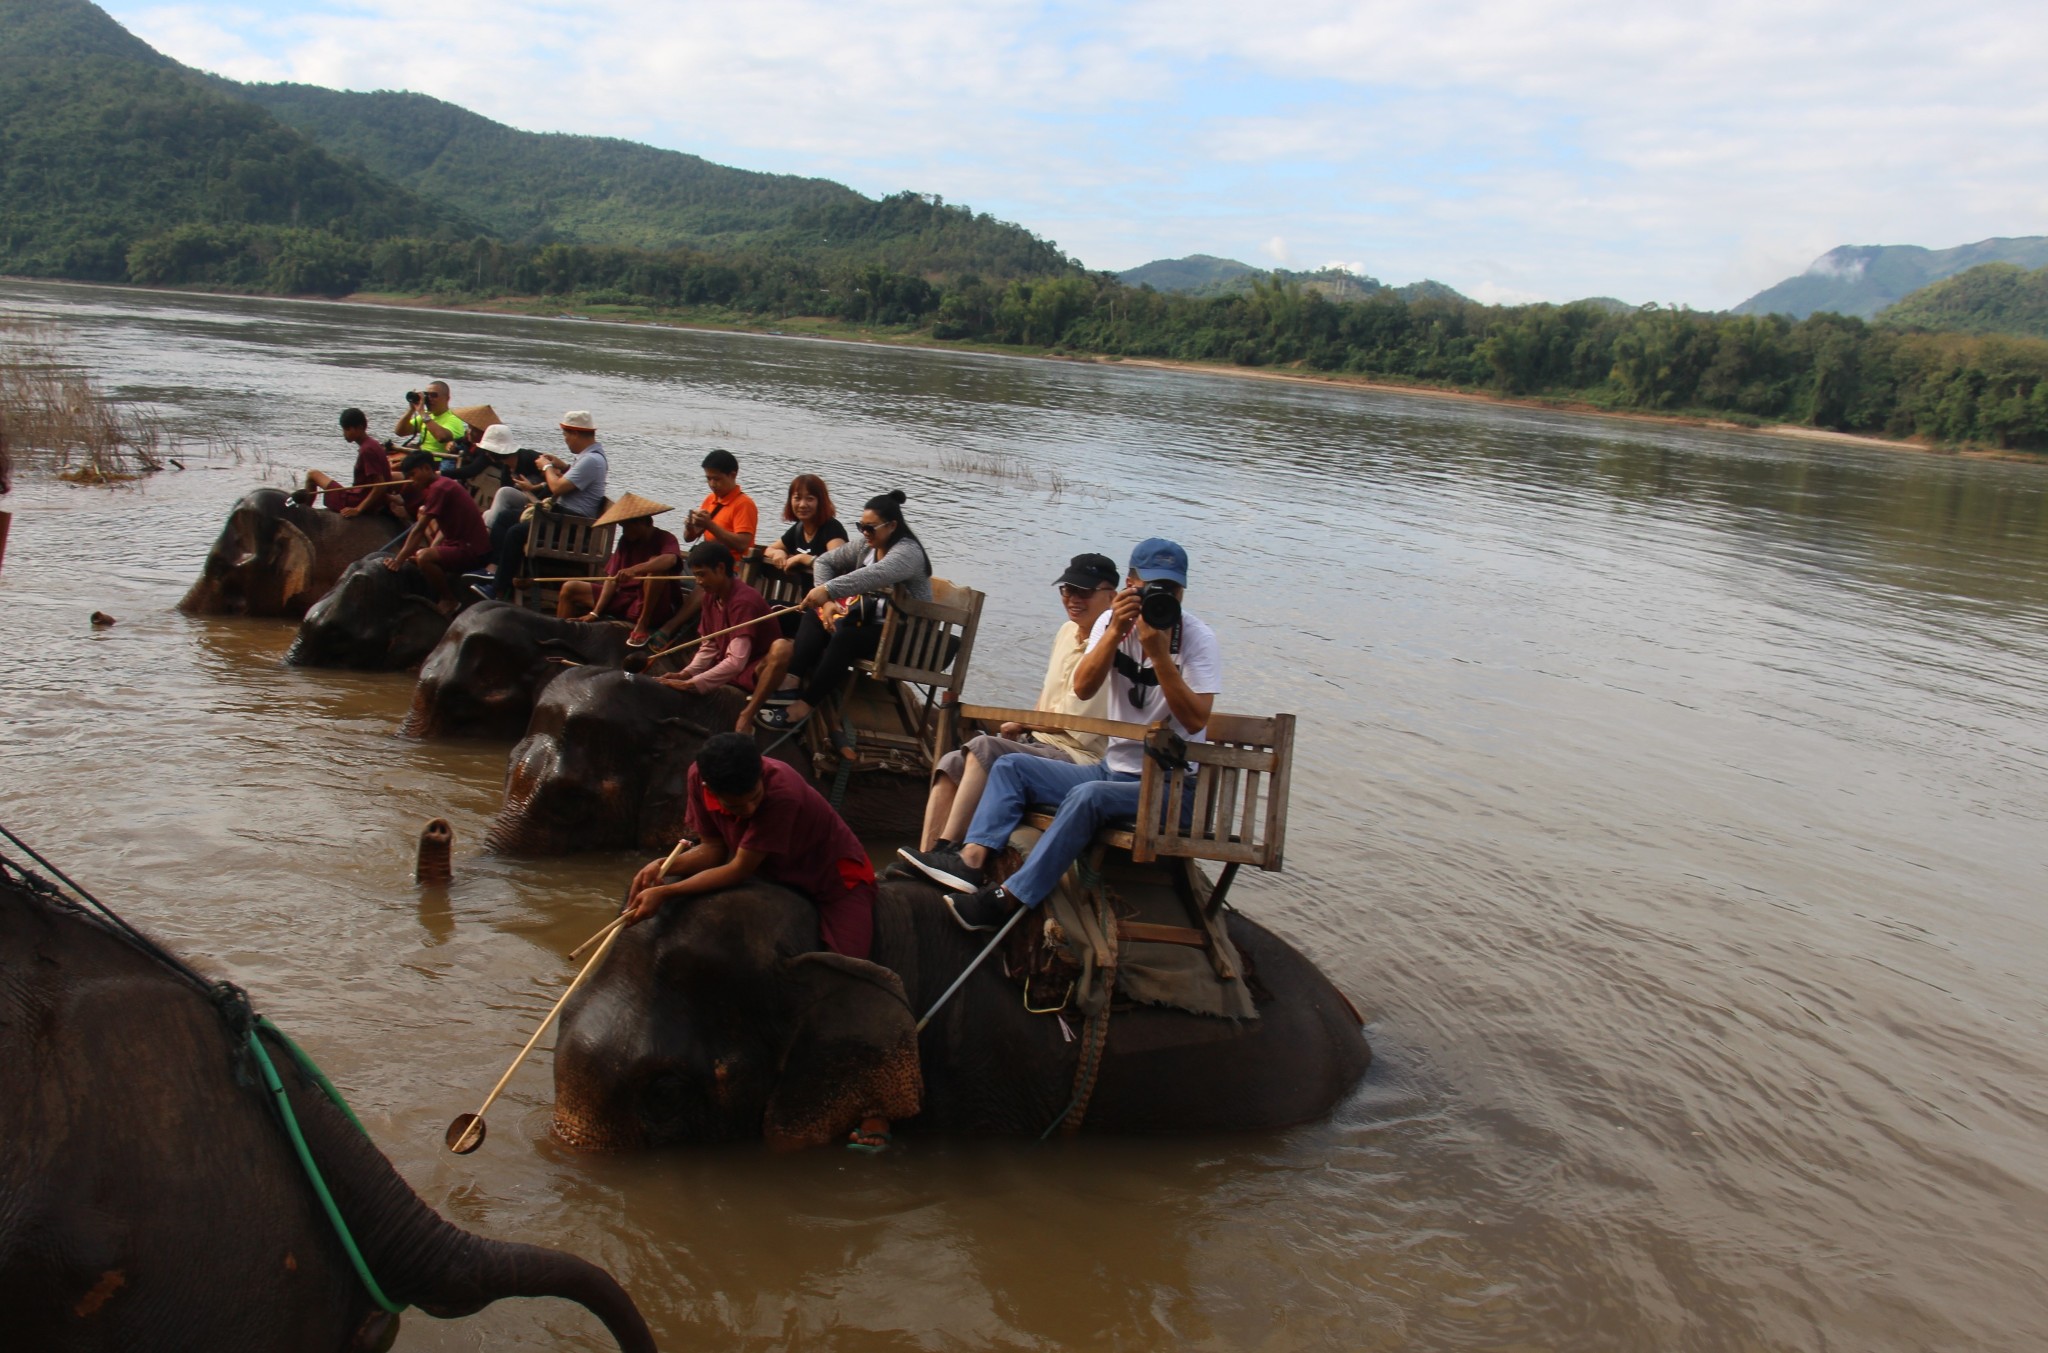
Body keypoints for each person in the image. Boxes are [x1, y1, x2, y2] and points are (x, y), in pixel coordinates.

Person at [902, 539, 1222, 932]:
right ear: (1130, 585)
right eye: (1150, 587)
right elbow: (1084, 687)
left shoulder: (1198, 638)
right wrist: (1116, 630)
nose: (1161, 596)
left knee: (1087, 796)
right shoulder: (1110, 623)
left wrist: (1157, 653)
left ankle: (1009, 898)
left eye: (1170, 590)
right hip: (1114, 770)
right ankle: (968, 861)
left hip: (1172, 788)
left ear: (1183, 590)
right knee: (1011, 766)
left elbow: (1194, 720)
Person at [898, 553, 1117, 867]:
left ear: (1112, 596)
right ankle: (927, 854)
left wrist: (1025, 725)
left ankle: (949, 851)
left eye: (1083, 592)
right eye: (1067, 591)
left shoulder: (1111, 648)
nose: (1073, 599)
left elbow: (1077, 722)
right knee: (950, 761)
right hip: (1042, 743)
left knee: (984, 746)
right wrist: (1025, 725)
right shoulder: (1066, 632)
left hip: (1077, 754)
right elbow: (1046, 695)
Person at [622, 732, 877, 961]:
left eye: (755, 798)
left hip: (835, 880)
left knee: (845, 968)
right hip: (770, 870)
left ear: (761, 773)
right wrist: (662, 867)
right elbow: (713, 849)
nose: (750, 810)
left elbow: (739, 869)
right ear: (707, 788)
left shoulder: (783, 792)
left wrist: (666, 892)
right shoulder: (697, 777)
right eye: (735, 806)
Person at [742, 490, 933, 734]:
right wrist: (827, 603)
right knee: (815, 615)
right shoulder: (866, 545)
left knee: (846, 637)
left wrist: (828, 590)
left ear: (892, 525)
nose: (865, 533)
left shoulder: (908, 552)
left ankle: (805, 705)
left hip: (903, 636)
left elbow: (876, 575)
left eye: (871, 528)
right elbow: (824, 561)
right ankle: (790, 680)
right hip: (865, 621)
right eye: (861, 526)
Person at [473, 410, 609, 600]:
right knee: (505, 518)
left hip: (571, 526)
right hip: (563, 518)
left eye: (566, 435)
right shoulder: (589, 458)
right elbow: (573, 480)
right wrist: (563, 467)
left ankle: (497, 589)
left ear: (576, 433)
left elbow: (557, 488)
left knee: (515, 532)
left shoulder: (592, 460)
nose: (565, 440)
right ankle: (494, 571)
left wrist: (546, 467)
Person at [656, 541, 782, 694]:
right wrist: (685, 674)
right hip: (728, 664)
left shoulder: (744, 601)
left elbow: (736, 662)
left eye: (702, 574)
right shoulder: (710, 596)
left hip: (750, 669)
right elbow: (710, 645)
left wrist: (691, 684)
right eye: (696, 576)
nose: (698, 582)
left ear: (721, 569)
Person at [556, 494, 682, 645]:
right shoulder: (626, 541)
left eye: (627, 526)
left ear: (643, 522)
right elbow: (611, 579)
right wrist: (595, 612)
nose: (624, 532)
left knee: (655, 569)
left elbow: (670, 559)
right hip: (623, 600)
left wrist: (634, 570)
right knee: (570, 588)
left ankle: (642, 624)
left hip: (650, 606)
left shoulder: (666, 538)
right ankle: (559, 639)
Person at [386, 451, 493, 613]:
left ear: (427, 468)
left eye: (413, 475)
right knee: (423, 551)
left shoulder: (440, 488)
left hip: (472, 550)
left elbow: (419, 528)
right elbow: (442, 529)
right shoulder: (440, 484)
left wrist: (398, 560)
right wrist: (434, 549)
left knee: (423, 557)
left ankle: (449, 600)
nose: (412, 481)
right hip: (458, 543)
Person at [293, 408, 399, 517]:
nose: (344, 433)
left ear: (360, 428)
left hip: (357, 500)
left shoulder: (367, 450)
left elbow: (380, 485)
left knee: (312, 475)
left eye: (347, 429)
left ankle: (304, 515)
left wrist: (358, 509)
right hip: (362, 494)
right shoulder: (373, 444)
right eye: (344, 429)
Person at [761, 474, 847, 576]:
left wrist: (802, 558)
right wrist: (778, 553)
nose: (802, 505)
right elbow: (769, 549)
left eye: (810, 499)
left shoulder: (832, 528)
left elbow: (838, 566)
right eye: (797, 498)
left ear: (821, 502)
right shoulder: (799, 528)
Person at [683, 450, 759, 564]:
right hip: (708, 565)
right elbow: (688, 538)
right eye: (708, 479)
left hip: (731, 570)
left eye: (717, 479)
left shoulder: (744, 504)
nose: (712, 484)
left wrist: (709, 525)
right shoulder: (710, 499)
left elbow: (742, 544)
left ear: (732, 475)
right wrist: (690, 527)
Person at [393, 382, 468, 469]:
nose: (429, 399)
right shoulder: (427, 416)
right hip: (421, 461)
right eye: (427, 395)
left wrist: (421, 412)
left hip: (437, 464)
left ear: (447, 398)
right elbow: (400, 432)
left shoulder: (453, 419)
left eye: (434, 395)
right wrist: (411, 410)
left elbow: (441, 437)